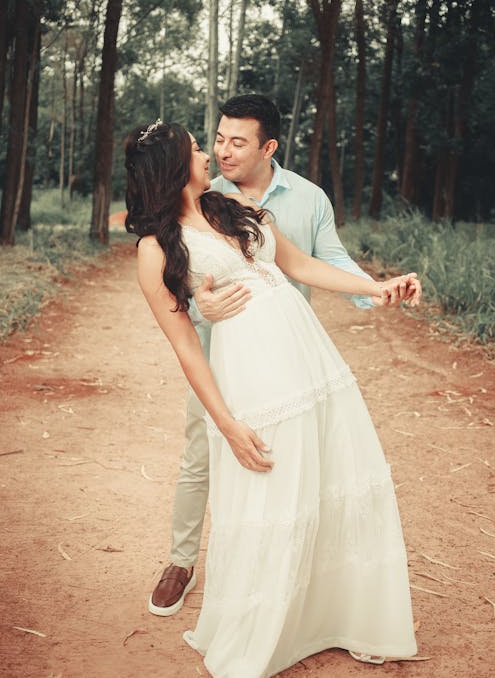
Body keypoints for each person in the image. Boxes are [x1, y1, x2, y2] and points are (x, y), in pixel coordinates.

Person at [125, 118, 419, 676]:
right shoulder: (154, 250)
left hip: (308, 357)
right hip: (250, 373)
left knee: (324, 477)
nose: (208, 155)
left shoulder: (231, 207)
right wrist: (227, 424)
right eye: (197, 149)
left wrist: (376, 286)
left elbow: (302, 265)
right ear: (173, 167)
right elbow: (186, 348)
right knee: (272, 492)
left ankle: (329, 616)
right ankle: (262, 629)